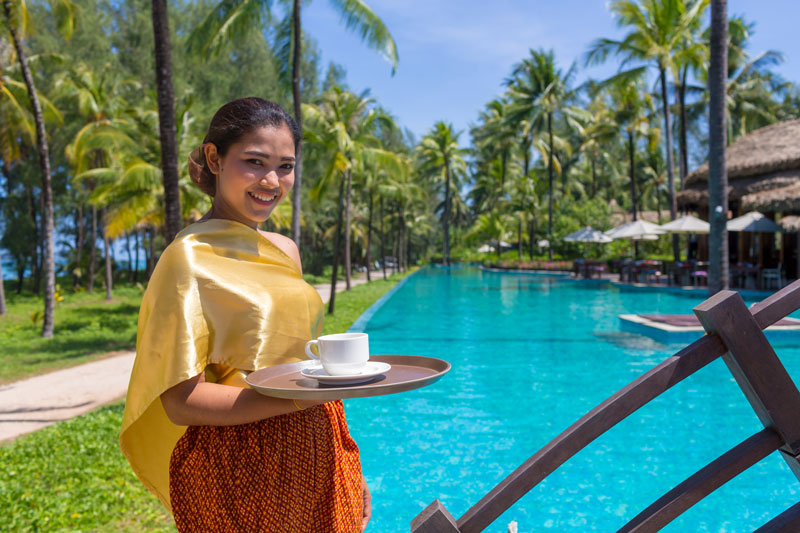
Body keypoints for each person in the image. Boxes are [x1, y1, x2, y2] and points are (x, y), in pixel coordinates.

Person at [119, 97, 370, 532]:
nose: (271, 181)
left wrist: (349, 457)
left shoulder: (286, 250)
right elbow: (179, 400)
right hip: (238, 465)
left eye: (285, 166)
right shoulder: (188, 259)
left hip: (318, 441)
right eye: (254, 162)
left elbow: (299, 359)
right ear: (215, 158)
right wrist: (293, 398)